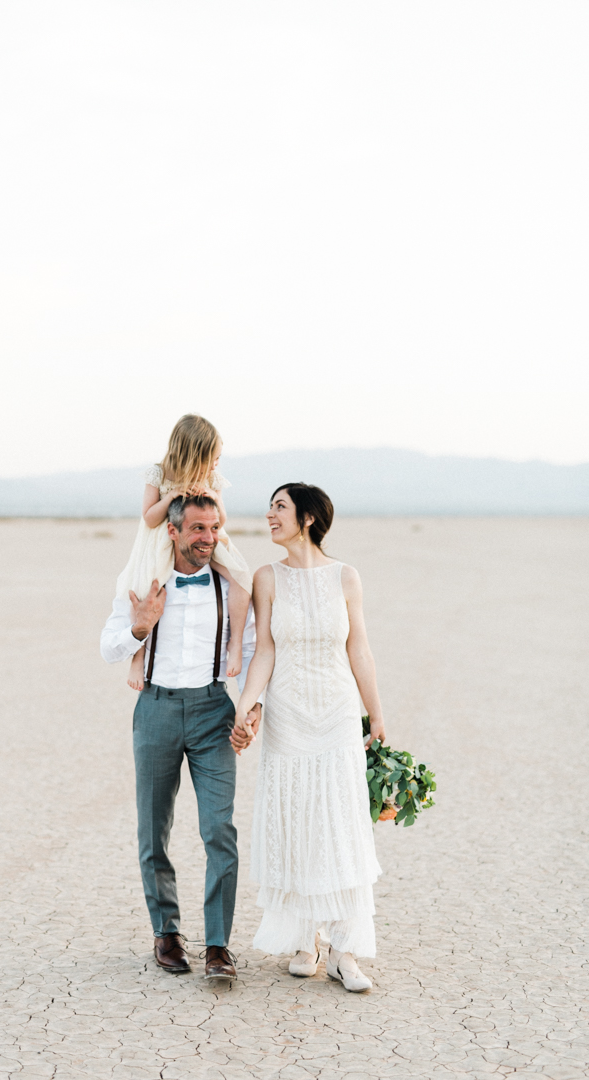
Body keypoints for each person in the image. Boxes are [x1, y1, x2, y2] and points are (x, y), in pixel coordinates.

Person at [233, 483, 385, 992]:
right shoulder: (266, 577)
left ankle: (345, 951)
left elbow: (359, 648)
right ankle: (305, 938)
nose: (270, 515)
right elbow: (266, 651)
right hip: (289, 715)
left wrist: (376, 713)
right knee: (297, 819)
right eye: (270, 507)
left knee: (340, 822)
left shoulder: (346, 577)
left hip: (338, 714)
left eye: (280, 507)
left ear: (309, 518)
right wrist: (248, 703)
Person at [101, 493, 258, 978]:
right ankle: (166, 932)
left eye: (213, 529)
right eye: (197, 529)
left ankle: (217, 945)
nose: (208, 538)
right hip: (157, 711)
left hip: (214, 711)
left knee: (219, 830)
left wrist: (251, 709)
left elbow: (250, 650)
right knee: (154, 828)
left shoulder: (229, 587)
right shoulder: (142, 584)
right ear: (173, 531)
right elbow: (109, 648)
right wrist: (140, 629)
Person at [116, 414, 252, 692]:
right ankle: (137, 656)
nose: (217, 464)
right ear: (194, 454)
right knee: (145, 589)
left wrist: (211, 496)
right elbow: (150, 518)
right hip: (162, 539)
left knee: (241, 576)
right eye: (213, 457)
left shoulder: (211, 478)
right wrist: (171, 496)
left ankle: (235, 642)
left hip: (207, 537)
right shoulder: (159, 473)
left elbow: (221, 519)